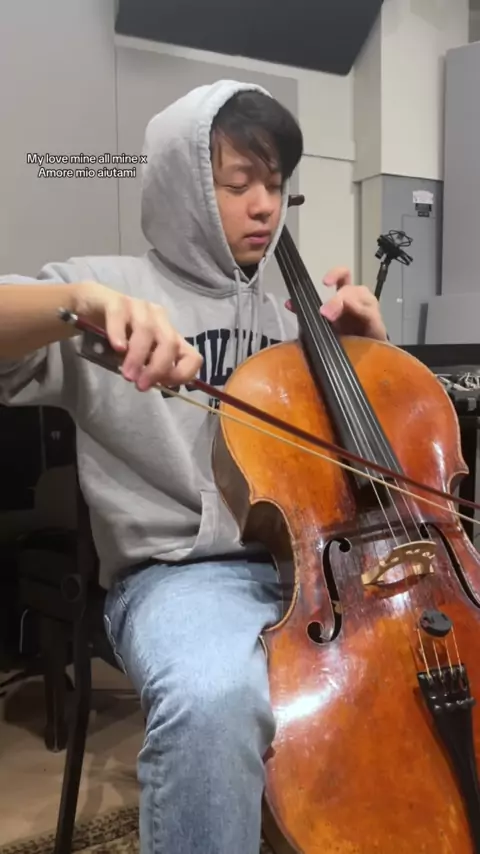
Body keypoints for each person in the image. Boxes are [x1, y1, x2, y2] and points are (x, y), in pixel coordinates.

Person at [0, 80, 387, 853]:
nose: (264, 206)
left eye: (275, 184)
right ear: (185, 185)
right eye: (239, 183)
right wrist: (78, 303)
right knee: (215, 698)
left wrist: (367, 360)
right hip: (175, 577)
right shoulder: (111, 292)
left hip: (311, 568)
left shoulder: (289, 324)